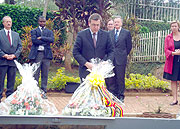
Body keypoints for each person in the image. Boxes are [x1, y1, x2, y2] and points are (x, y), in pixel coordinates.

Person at [73, 13, 114, 81]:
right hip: (85, 70)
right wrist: (86, 63)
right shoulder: (81, 35)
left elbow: (111, 51)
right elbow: (75, 52)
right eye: (93, 25)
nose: (96, 27)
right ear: (89, 23)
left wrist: (107, 62)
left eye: (98, 25)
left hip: (101, 70)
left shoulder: (106, 35)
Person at [106, 16, 132, 102]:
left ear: (121, 23)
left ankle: (121, 95)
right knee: (111, 78)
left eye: (118, 22)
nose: (116, 23)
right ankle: (112, 95)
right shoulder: (109, 33)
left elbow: (129, 46)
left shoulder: (126, 33)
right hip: (111, 59)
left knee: (120, 78)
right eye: (115, 22)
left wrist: (123, 54)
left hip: (121, 59)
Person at [28, 16, 54, 99]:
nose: (42, 23)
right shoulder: (34, 31)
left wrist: (42, 38)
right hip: (37, 54)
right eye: (41, 21)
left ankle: (43, 92)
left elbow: (52, 40)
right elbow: (34, 41)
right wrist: (46, 41)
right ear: (38, 22)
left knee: (45, 74)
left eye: (44, 21)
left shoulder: (49, 31)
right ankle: (35, 92)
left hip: (46, 55)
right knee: (36, 73)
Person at [0, 16, 22, 102]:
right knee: (0, 80)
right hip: (2, 61)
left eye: (10, 21)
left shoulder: (16, 35)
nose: (9, 23)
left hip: (13, 61)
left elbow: (20, 46)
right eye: (7, 22)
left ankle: (9, 98)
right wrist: (4, 55)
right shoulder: (0, 33)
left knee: (11, 81)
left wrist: (15, 55)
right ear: (3, 23)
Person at [163, 21, 180, 106]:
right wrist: (173, 53)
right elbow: (166, 50)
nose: (174, 27)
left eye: (175, 26)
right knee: (173, 80)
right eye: (172, 26)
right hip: (172, 62)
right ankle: (174, 99)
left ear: (178, 27)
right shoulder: (168, 37)